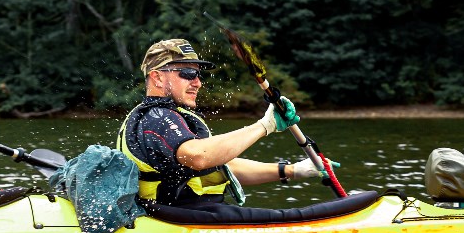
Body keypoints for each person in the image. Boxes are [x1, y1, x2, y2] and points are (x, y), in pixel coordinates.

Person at [117, 38, 331, 207]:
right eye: (188, 73)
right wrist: (264, 126)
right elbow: (199, 157)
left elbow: (220, 164)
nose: (198, 83)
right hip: (183, 217)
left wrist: (291, 170)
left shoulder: (164, 116)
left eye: (198, 75)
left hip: (190, 215)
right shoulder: (157, 117)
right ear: (158, 78)